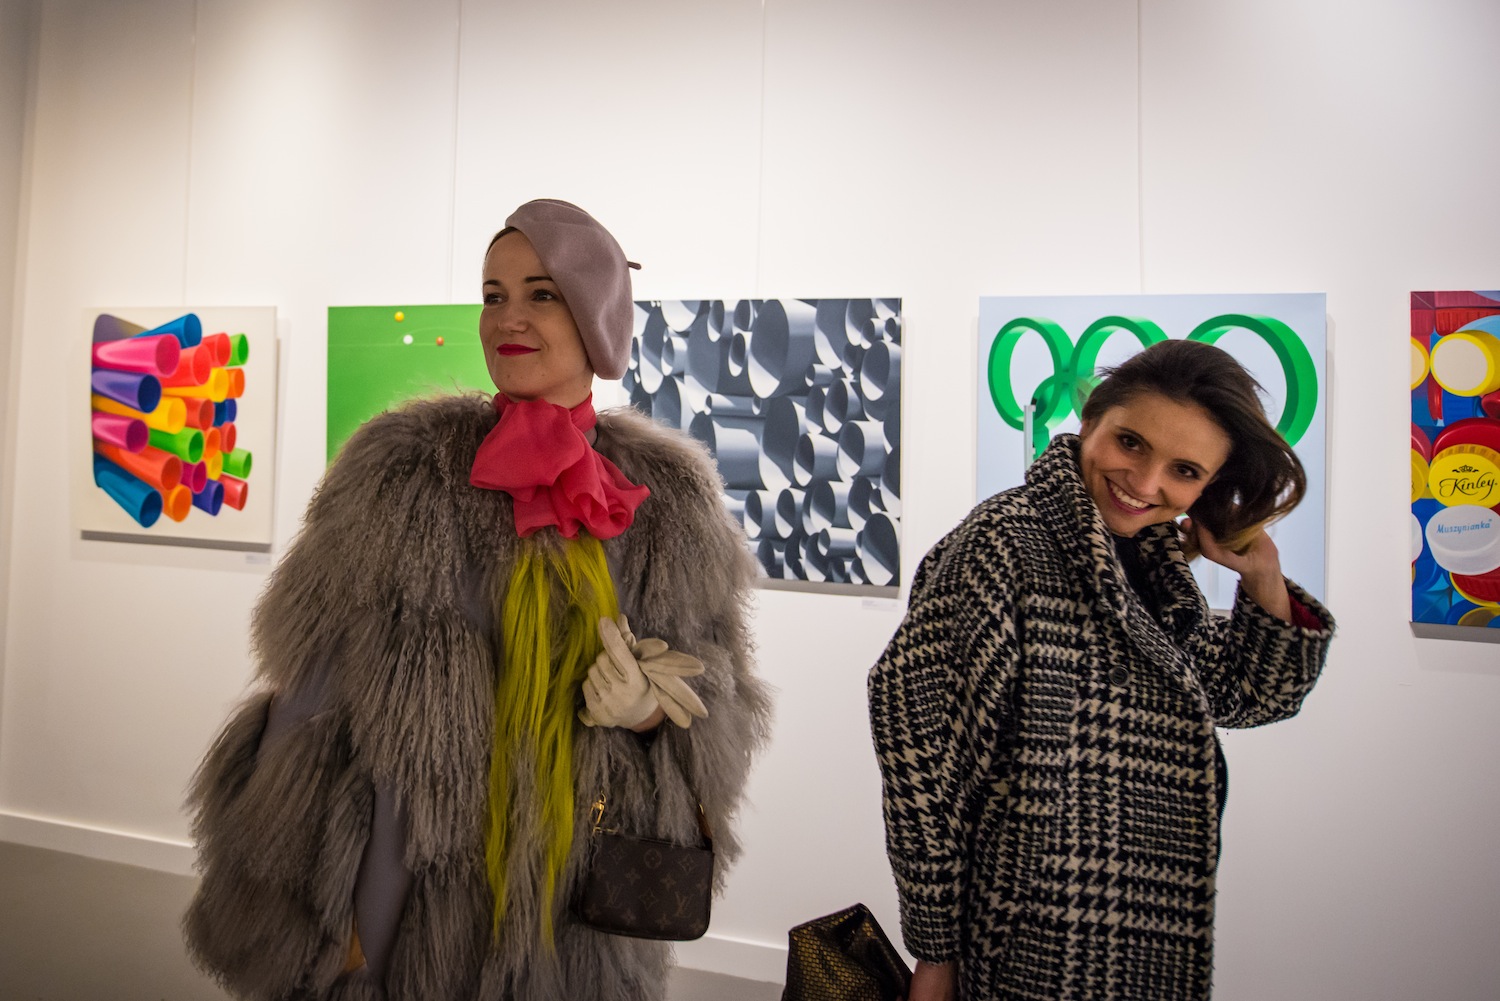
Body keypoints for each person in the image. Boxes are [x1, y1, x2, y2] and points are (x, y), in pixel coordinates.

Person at [185, 199, 772, 1001]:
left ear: (598, 317)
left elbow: (720, 706)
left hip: (577, 907)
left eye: (541, 293)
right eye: (494, 294)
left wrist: (646, 714)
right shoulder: (401, 471)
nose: (508, 318)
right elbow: (307, 697)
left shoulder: (670, 501)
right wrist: (303, 911)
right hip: (402, 890)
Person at [868, 339, 1334, 1001]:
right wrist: (935, 949)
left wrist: (1262, 574)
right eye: (1131, 442)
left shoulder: (1150, 558)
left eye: (1184, 470)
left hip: (1131, 933)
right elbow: (919, 752)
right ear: (1090, 422)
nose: (1144, 483)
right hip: (1032, 936)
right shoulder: (1004, 542)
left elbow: (1248, 697)